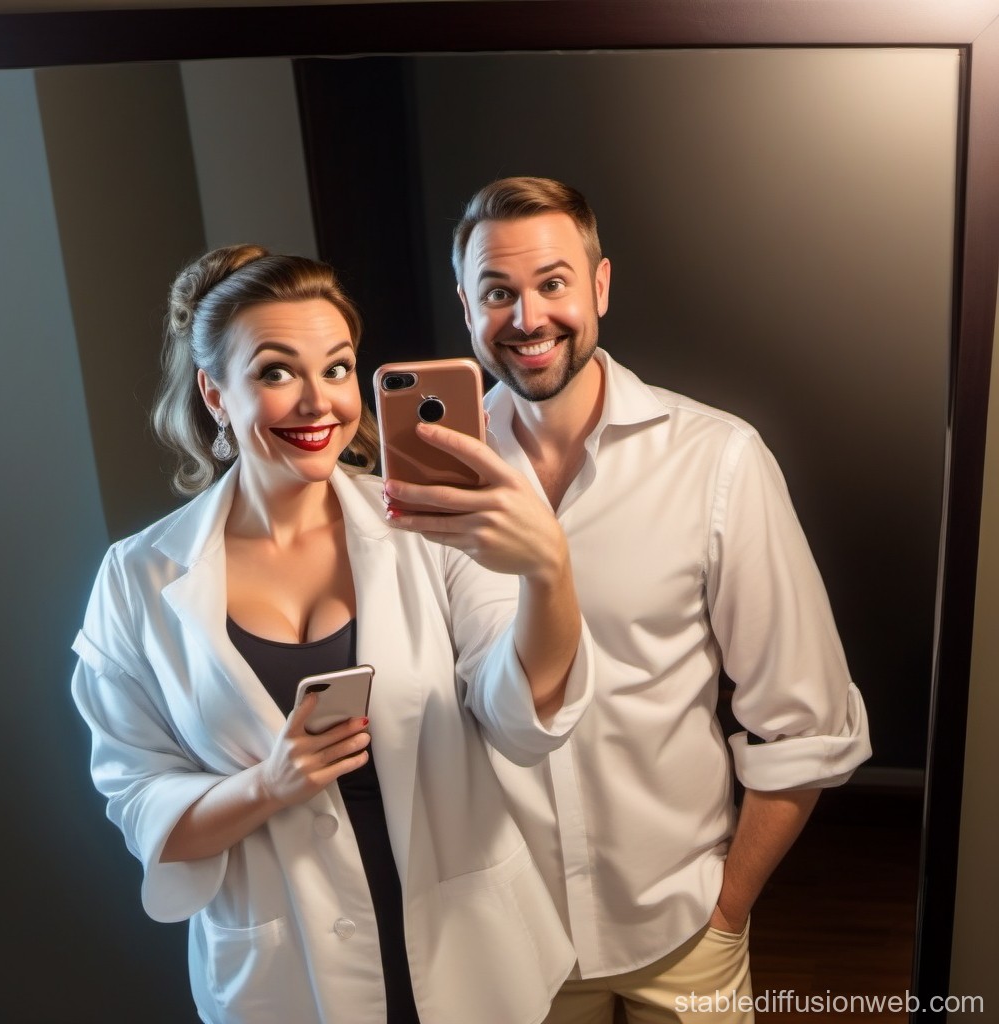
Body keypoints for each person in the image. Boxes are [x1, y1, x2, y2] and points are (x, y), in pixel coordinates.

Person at [384, 177, 871, 1024]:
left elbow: (806, 722)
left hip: (684, 927)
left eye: (553, 282)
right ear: (465, 306)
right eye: (497, 292)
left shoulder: (717, 460)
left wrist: (729, 908)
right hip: (516, 945)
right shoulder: (424, 493)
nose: (528, 318)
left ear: (600, 285)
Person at [70, 244, 594, 1024]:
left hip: (470, 950)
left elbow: (523, 720)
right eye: (277, 372)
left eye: (339, 367)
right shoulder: (137, 579)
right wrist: (268, 786)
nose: (319, 403)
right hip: (290, 978)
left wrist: (549, 572)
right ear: (215, 393)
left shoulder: (430, 529)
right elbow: (141, 803)